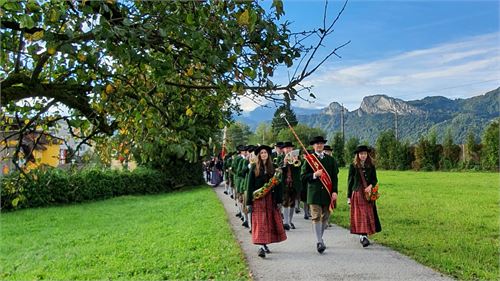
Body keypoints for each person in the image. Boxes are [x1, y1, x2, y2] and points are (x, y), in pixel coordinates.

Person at [246, 145, 287, 258]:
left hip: (270, 199)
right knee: (260, 222)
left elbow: (278, 185)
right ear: (259, 155)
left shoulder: (274, 167)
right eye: (261, 153)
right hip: (258, 199)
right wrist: (248, 202)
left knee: (268, 222)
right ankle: (260, 247)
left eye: (265, 153)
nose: (263, 154)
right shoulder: (254, 167)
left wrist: (279, 200)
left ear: (268, 154)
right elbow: (249, 186)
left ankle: (265, 244)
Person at [300, 136, 339, 254]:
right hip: (314, 193)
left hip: (327, 193)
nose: (319, 146)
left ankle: (320, 238)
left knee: (325, 217)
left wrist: (335, 191)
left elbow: (334, 178)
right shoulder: (309, 160)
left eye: (321, 144)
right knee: (316, 216)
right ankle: (319, 241)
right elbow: (302, 177)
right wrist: (314, 175)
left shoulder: (331, 160)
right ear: (313, 146)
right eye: (317, 144)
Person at [347, 145, 382, 247]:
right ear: (358, 155)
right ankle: (363, 236)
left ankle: (365, 235)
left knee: (367, 213)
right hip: (357, 192)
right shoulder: (353, 166)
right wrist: (349, 197)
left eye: (365, 154)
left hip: (368, 194)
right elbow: (350, 181)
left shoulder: (371, 165)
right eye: (361, 154)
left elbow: (375, 179)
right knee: (360, 214)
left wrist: (370, 186)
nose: (363, 156)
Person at [281, 141, 301, 230]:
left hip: (294, 183)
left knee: (292, 203)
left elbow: (299, 168)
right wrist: (285, 163)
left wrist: (295, 160)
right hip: (284, 183)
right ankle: (285, 222)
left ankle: (290, 220)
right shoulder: (280, 158)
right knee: (285, 202)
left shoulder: (297, 158)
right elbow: (279, 169)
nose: (288, 150)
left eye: (290, 148)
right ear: (283, 150)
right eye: (286, 148)